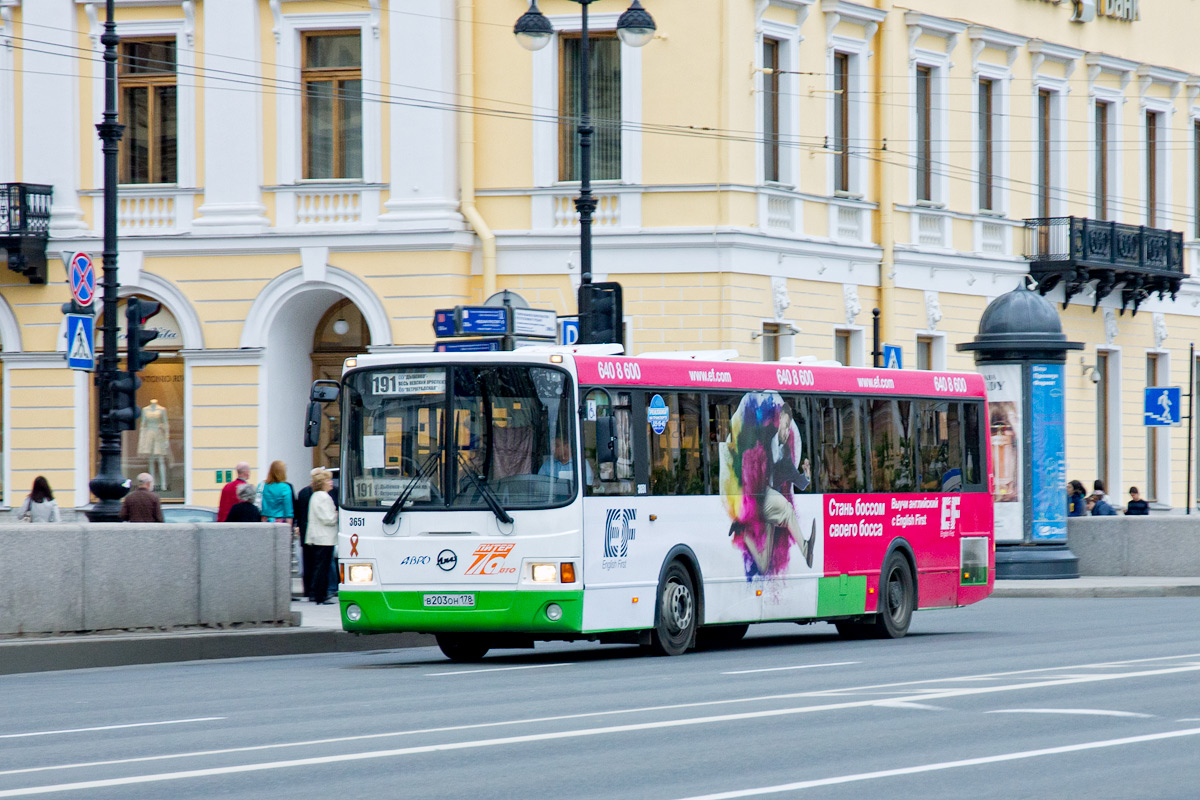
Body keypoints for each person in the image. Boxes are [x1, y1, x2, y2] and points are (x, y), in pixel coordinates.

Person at [306, 468, 338, 605]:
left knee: (320, 566)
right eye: (328, 480)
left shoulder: (315, 496)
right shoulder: (324, 497)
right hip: (325, 537)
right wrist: (336, 513)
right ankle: (321, 595)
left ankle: (319, 593)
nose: (331, 482)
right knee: (323, 568)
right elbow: (328, 518)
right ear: (323, 482)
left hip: (317, 536)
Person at [295, 468, 319, 600]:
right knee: (316, 562)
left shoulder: (303, 492)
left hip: (304, 530)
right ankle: (315, 590)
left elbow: (298, 512)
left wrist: (298, 526)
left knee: (307, 562)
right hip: (315, 531)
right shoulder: (318, 493)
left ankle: (308, 589)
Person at [259, 460, 294, 525]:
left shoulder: (262, 485)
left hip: (264, 521)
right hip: (279, 522)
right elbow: (288, 511)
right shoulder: (285, 487)